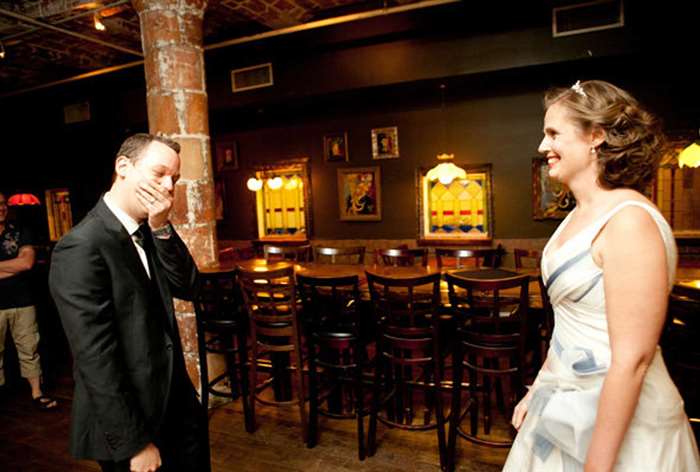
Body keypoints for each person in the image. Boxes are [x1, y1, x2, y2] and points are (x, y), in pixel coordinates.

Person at [503, 80, 700, 471]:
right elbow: (567, 325)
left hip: (618, 425)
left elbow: (634, 359)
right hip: (562, 407)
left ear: (595, 137)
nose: (543, 147)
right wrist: (538, 389)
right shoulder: (575, 216)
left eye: (554, 133)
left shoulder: (629, 221)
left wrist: (598, 465)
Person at [49, 134, 209, 472]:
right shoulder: (81, 245)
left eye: (175, 179)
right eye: (159, 173)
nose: (168, 186)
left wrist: (162, 227)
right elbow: (95, 356)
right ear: (123, 166)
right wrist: (134, 442)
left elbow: (190, 287)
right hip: (134, 420)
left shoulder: (150, 229)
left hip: (178, 407)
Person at [0, 191, 57, 410]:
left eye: (4, 203)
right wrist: (12, 265)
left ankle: (36, 393)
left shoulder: (21, 231)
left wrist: (17, 264)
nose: (2, 208)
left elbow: (26, 263)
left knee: (29, 348)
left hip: (23, 301)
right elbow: (19, 263)